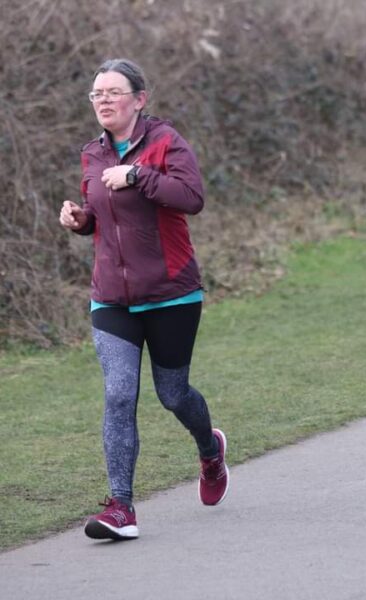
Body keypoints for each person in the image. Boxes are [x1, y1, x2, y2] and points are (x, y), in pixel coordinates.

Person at [59, 58, 229, 541]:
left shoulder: (166, 142)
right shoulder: (92, 153)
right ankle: (121, 507)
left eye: (114, 92)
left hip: (171, 293)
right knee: (118, 394)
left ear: (139, 99)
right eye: (97, 93)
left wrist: (137, 176)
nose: (104, 100)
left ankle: (210, 451)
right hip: (111, 297)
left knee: (173, 394)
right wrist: (81, 221)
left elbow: (191, 197)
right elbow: (102, 214)